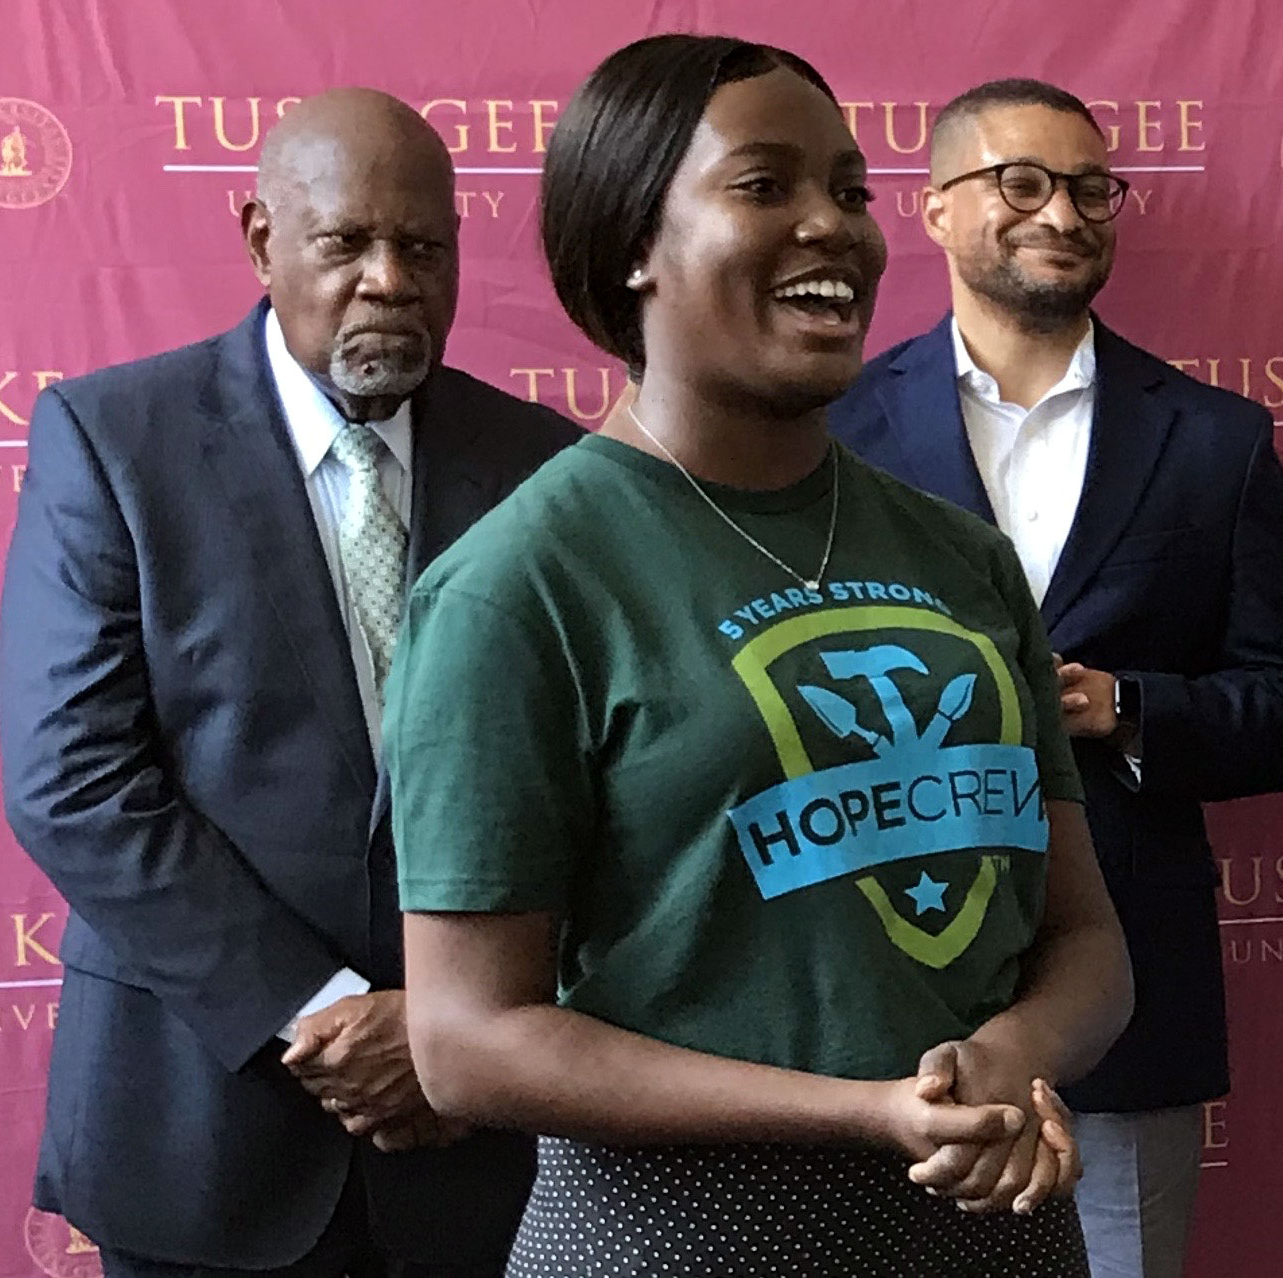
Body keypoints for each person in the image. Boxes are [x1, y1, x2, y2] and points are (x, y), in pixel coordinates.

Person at [384, 35, 1133, 1277]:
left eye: (847, 191)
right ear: (633, 241)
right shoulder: (517, 584)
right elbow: (466, 1040)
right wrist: (865, 1114)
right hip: (673, 1242)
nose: (830, 229)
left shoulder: (964, 558)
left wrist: (1009, 1056)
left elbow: (1084, 943)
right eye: (763, 186)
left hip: (992, 1233)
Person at [0, 88, 576, 1278]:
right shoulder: (113, 440)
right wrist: (319, 1012)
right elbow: (73, 781)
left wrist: (444, 1025)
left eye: (422, 248)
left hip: (478, 1136)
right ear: (264, 241)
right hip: (203, 1133)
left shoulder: (545, 470)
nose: (388, 279)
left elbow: (597, 784)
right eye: (346, 243)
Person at [830, 79, 1283, 1277]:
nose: (1060, 211)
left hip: (1122, 1002)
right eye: (1020, 182)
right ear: (938, 207)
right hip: (869, 997)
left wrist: (1126, 710)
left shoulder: (1214, 438)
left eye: (1088, 187)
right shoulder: (830, 426)